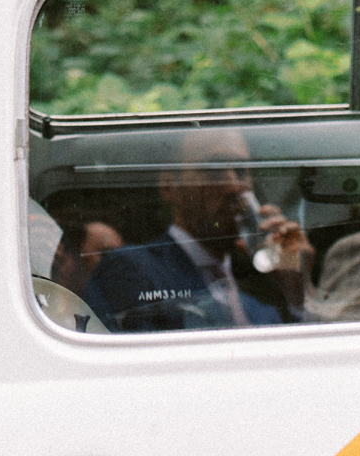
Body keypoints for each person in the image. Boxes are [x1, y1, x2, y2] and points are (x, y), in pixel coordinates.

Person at [88, 128, 310, 332]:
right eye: (214, 170)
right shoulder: (133, 269)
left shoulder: (259, 298)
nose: (235, 186)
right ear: (169, 186)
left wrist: (295, 291)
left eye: (241, 171)